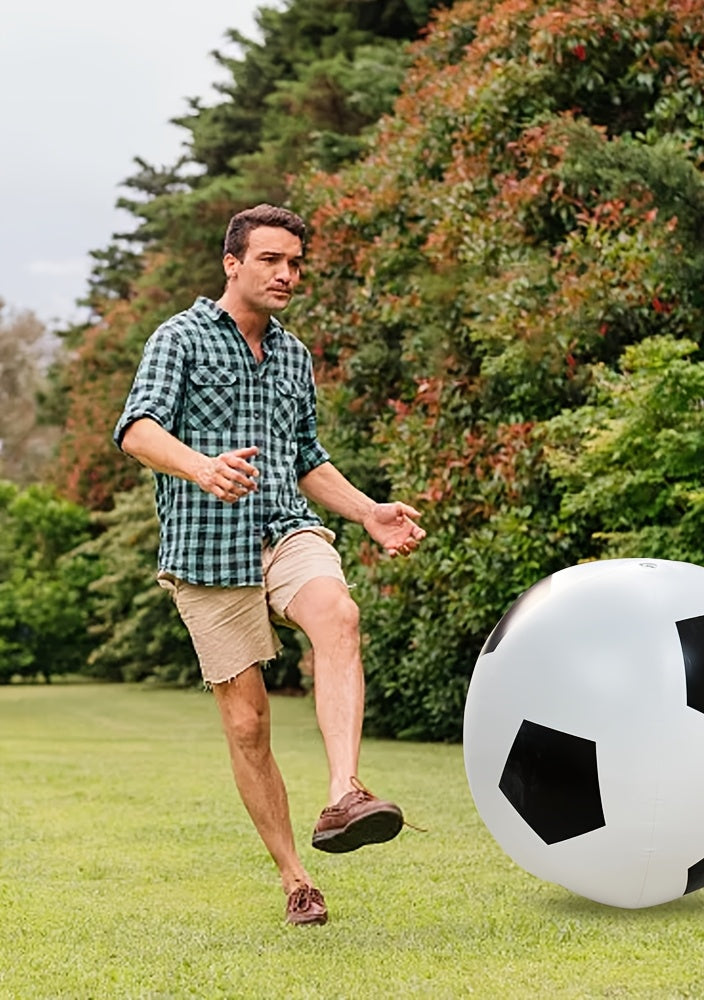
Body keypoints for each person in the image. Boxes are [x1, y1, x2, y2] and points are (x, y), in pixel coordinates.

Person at [113, 203, 426, 927]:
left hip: (285, 528)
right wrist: (200, 467)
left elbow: (307, 459)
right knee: (248, 723)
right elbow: (136, 428)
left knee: (338, 615)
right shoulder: (181, 338)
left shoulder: (293, 354)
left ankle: (345, 791)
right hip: (205, 552)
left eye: (295, 263)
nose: (287, 275)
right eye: (271, 261)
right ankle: (295, 879)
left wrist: (368, 512)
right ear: (233, 263)